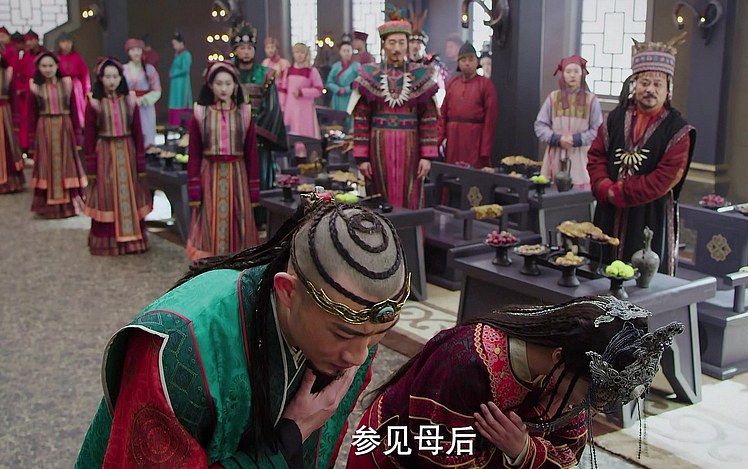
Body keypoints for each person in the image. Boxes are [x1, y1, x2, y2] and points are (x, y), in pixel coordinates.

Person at [74, 197, 411, 467]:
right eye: (342, 335)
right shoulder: (179, 349)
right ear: (287, 292)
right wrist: (292, 434)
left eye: (378, 334)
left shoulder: (357, 327)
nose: (359, 356)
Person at [347, 296, 684, 468]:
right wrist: (511, 452)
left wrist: (522, 450)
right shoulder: (464, 362)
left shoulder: (571, 377)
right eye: (592, 395)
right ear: (558, 357)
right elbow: (438, 456)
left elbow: (568, 453)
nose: (591, 408)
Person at [587, 34, 695, 275]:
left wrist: (620, 192)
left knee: (641, 281)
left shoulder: (677, 130)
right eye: (645, 82)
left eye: (658, 84)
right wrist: (603, 187)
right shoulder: (614, 119)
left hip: (649, 214)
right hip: (607, 210)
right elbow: (596, 156)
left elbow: (666, 177)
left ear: (668, 89)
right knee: (599, 274)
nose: (650, 90)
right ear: (634, 84)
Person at [350, 12, 439, 209]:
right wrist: (362, 158)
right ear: (383, 44)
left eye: (401, 42)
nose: (397, 48)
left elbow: (429, 119)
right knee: (378, 199)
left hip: (411, 147)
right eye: (391, 43)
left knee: (410, 196)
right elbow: (361, 119)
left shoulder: (421, 75)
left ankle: (409, 230)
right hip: (378, 147)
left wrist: (427, 156)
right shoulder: (369, 75)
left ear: (407, 44)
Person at [185, 61, 259, 261]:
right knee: (210, 217)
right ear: (210, 85)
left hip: (237, 174)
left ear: (235, 85)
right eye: (219, 83)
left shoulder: (244, 113)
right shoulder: (201, 113)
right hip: (210, 173)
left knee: (239, 216)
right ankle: (211, 260)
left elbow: (252, 152)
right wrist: (194, 186)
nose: (224, 88)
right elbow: (194, 152)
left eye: (228, 83)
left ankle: (238, 260)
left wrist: (254, 187)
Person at [83, 57, 152, 255]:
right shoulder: (94, 102)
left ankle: (133, 240)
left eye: (115, 76)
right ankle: (108, 241)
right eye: (107, 77)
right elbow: (89, 136)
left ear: (121, 78)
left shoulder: (130, 100)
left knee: (130, 192)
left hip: (127, 152)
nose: (112, 81)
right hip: (105, 153)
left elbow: (137, 132)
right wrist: (91, 166)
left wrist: (140, 162)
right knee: (107, 194)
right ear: (100, 79)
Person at [28, 51, 86, 218]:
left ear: (57, 66)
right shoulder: (35, 86)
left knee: (67, 164)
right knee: (46, 164)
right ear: (38, 68)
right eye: (44, 66)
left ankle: (70, 204)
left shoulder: (68, 84)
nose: (48, 69)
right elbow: (31, 114)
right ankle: (47, 205)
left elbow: (74, 110)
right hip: (44, 128)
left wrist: (78, 134)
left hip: (65, 128)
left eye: (51, 66)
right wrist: (31, 140)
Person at [230, 21, 287, 191]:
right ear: (235, 50)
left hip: (258, 138)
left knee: (259, 182)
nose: (246, 52)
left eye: (250, 48)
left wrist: (254, 129)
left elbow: (272, 107)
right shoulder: (227, 73)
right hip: (232, 135)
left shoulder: (265, 74)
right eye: (242, 48)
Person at [535, 55, 603, 189]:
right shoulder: (553, 98)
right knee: (553, 193)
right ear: (563, 74)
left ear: (582, 74)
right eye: (568, 71)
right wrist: (557, 139)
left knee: (579, 193)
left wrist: (576, 139)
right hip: (555, 153)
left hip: (581, 155)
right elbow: (540, 125)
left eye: (576, 71)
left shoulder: (591, 100)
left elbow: (598, 129)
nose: (572, 75)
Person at [438, 41, 498, 168]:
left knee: (474, 174)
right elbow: (443, 115)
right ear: (458, 63)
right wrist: (439, 139)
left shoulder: (486, 85)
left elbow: (490, 120)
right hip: (453, 139)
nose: (467, 63)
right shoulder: (452, 84)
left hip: (475, 139)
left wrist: (485, 150)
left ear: (477, 62)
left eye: (471, 60)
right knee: (452, 172)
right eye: (463, 60)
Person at [123, 38, 162, 149]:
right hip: (128, 107)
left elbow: (157, 90)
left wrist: (142, 100)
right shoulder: (123, 70)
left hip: (146, 108)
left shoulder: (150, 70)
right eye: (133, 50)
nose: (136, 53)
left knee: (147, 135)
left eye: (138, 49)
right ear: (128, 52)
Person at [279, 43, 323, 139]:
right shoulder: (288, 70)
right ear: (293, 54)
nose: (299, 55)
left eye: (302, 53)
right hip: (290, 109)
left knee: (305, 134)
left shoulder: (311, 71)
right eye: (297, 52)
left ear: (306, 54)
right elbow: (283, 90)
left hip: (305, 110)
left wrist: (303, 92)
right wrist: (282, 107)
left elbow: (319, 90)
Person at [408, 8, 448, 106]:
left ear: (424, 46)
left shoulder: (433, 65)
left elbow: (440, 90)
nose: (415, 46)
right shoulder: (404, 64)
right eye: (412, 43)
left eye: (418, 43)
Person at [55, 32, 91, 130]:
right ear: (59, 44)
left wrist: (86, 91)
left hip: (76, 88)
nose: (66, 45)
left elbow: (85, 75)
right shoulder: (56, 58)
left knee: (77, 110)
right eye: (63, 42)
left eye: (68, 42)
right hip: (61, 87)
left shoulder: (77, 57)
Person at [0, 51, 25, 193]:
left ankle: (9, 182)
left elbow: (14, 98)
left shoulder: (7, 72)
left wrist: (16, 121)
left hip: (4, 113)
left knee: (6, 146)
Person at [325, 35, 361, 114]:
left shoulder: (357, 66)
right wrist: (338, 89)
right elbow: (329, 82)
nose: (346, 53)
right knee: (337, 117)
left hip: (351, 96)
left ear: (351, 52)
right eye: (344, 51)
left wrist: (347, 89)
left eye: (348, 51)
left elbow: (359, 81)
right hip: (337, 97)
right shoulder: (336, 66)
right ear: (340, 52)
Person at [167, 31, 193, 127]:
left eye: (175, 44)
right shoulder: (177, 54)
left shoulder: (186, 55)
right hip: (175, 83)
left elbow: (185, 69)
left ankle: (183, 124)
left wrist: (173, 74)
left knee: (182, 101)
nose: (174, 47)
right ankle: (174, 123)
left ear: (181, 43)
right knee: (175, 101)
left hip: (182, 83)